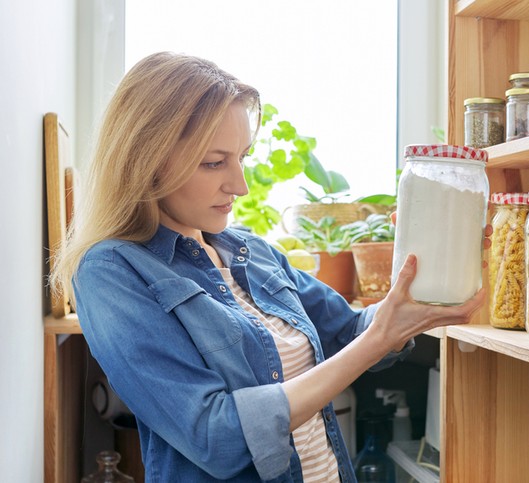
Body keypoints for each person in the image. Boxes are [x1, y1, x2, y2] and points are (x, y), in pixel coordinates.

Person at [51, 52, 486, 482]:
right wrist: (376, 341)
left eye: (242, 157)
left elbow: (351, 333)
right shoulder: (111, 271)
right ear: (146, 159)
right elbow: (215, 438)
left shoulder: (252, 252)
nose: (238, 185)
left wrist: (429, 263)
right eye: (213, 162)